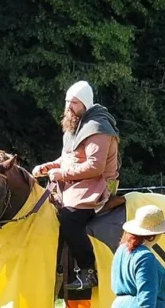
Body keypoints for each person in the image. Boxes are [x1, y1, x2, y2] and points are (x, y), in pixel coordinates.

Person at [32, 80, 120, 290]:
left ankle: (88, 272)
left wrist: (61, 174)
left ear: (85, 104)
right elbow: (69, 158)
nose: (69, 108)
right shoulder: (76, 125)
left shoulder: (97, 128)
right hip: (76, 182)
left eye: (74, 103)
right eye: (68, 103)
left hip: (96, 185)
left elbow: (95, 167)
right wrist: (47, 167)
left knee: (70, 217)